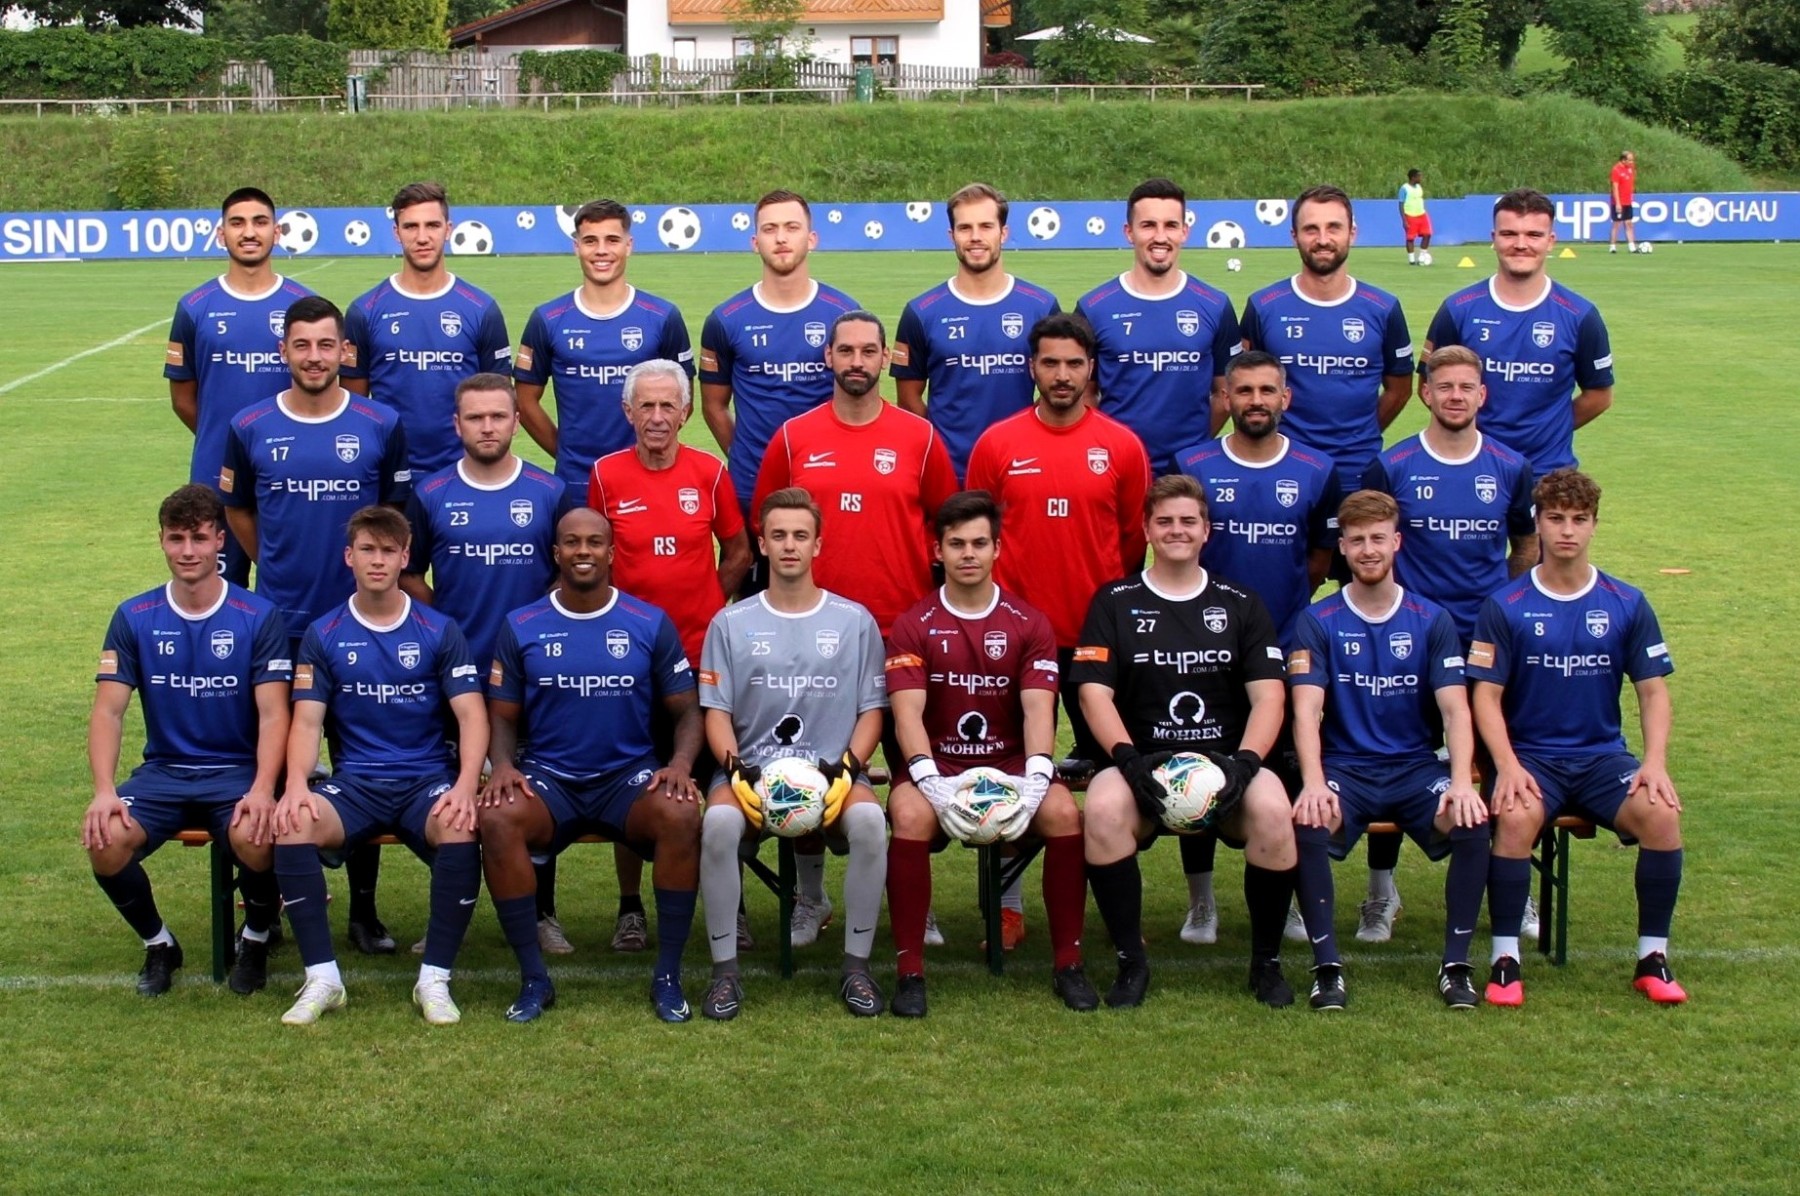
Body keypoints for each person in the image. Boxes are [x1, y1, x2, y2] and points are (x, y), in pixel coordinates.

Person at [1072, 475, 1327, 1009]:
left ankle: (1266, 964)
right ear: (1146, 530)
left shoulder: (1240, 602)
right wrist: (1128, 761)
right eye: (1164, 521)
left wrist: (1245, 765)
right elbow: (1094, 693)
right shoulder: (1114, 601)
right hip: (1144, 764)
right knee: (1102, 809)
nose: (1177, 531)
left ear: (1206, 530)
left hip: (1227, 765)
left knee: (1274, 812)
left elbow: (1269, 696)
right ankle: (1131, 963)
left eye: (1188, 521)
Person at [749, 310, 957, 947]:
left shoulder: (920, 437)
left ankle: (914, 902)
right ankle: (811, 898)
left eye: (870, 351)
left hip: (901, 632)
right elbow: (767, 526)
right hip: (813, 634)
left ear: (887, 358)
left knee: (912, 767)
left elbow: (945, 526)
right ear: (829, 358)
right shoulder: (793, 437)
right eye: (846, 351)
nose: (858, 362)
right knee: (803, 762)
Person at [222, 294, 413, 956]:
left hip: (362, 624)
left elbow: (392, 517)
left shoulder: (380, 423)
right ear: (284, 352)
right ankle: (266, 910)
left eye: (325, 345)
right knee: (274, 763)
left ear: (344, 352)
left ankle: (363, 911)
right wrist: (274, 564)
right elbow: (239, 511)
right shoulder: (250, 425)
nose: (314, 357)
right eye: (301, 345)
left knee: (362, 763)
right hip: (283, 624)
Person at [477, 507, 706, 1023]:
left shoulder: (648, 622)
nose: (584, 551)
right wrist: (504, 765)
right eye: (572, 542)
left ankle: (667, 977)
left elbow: (687, 711)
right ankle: (534, 979)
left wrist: (679, 763)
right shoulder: (522, 625)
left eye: (595, 542)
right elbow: (502, 715)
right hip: (551, 779)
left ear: (611, 552)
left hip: (626, 778)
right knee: (497, 817)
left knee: (680, 812)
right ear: (556, 553)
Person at [1468, 469, 1686, 1006]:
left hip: (1601, 760)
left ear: (1594, 526)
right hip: (1532, 760)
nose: (1567, 530)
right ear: (1538, 524)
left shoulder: (1626, 601)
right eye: (1556, 518)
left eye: (1579, 520)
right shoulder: (1505, 605)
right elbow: (1485, 697)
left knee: (1662, 814)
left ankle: (1653, 959)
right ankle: (1505, 960)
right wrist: (1507, 765)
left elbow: (1653, 692)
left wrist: (1654, 763)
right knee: (1514, 817)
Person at [271, 505, 488, 1025]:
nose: (377, 560)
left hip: (425, 782)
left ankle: (434, 979)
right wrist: (296, 783)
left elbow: (472, 716)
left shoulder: (438, 629)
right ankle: (323, 979)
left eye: (388, 551)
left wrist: (464, 786)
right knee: (294, 822)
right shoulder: (324, 633)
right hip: (356, 785)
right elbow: (306, 723)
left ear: (405, 557)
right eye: (367, 549)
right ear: (349, 556)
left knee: (460, 826)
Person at [884, 490, 1096, 1015]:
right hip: (940, 765)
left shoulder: (1029, 622)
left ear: (998, 548)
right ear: (938, 551)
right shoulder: (913, 624)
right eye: (957, 544)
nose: (968, 554)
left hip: (1010, 763)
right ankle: (910, 972)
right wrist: (928, 780)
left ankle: (1069, 964)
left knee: (1064, 813)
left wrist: (1038, 777)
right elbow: (907, 715)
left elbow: (1039, 709)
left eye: (979, 543)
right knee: (908, 813)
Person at [1356, 344, 1537, 943]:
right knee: (1391, 756)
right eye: (1444, 386)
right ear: (1425, 393)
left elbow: (1524, 544)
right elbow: (1373, 546)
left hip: (1484, 645)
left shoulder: (1510, 466)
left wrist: (1505, 611)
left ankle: (1517, 889)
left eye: (1466, 387)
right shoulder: (1394, 465)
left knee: (1498, 761)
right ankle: (1381, 893)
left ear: (1482, 395)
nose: (1455, 396)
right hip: (1409, 643)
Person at [83, 484, 292, 997]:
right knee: (106, 841)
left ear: (220, 540)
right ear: (161, 540)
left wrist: (262, 788)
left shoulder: (257, 615)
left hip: (236, 774)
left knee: (258, 835)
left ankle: (256, 937)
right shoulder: (134, 616)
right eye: (177, 538)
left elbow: (274, 714)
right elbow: (109, 711)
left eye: (199, 538)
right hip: (165, 774)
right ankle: (159, 944)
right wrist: (104, 791)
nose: (188, 551)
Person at [1287, 490, 1492, 1010]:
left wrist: (1462, 782)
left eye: (1378, 538)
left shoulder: (1432, 619)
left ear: (1397, 542)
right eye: (1356, 540)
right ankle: (1327, 968)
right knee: (1309, 821)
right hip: (1347, 769)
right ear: (1342, 547)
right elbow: (1306, 711)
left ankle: (1456, 966)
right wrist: (1313, 782)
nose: (1368, 550)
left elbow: (1456, 711)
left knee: (1470, 821)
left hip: (1415, 769)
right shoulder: (1318, 619)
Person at [696, 488, 890, 1019]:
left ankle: (856, 968)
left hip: (832, 775)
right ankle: (724, 975)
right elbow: (716, 711)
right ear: (761, 544)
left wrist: (848, 770)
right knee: (717, 826)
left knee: (871, 824)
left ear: (818, 545)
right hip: (750, 773)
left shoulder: (854, 621)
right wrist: (736, 772)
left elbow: (872, 710)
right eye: (778, 535)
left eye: (800, 536)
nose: (789, 545)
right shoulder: (730, 622)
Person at [399, 372, 574, 956]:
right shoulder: (431, 493)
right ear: (457, 425)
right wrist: (444, 624)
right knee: (454, 793)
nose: (488, 427)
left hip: (533, 676)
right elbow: (408, 572)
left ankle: (541, 912)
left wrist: (537, 629)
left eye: (498, 416)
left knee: (531, 788)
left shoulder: (549, 491)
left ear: (517, 421)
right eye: (475, 418)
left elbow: (566, 574)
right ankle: (450, 912)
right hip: (458, 675)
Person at [1172, 350, 1338, 946]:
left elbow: (1318, 559)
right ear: (1227, 399)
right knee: (1195, 766)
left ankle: (1287, 897)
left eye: (1268, 390)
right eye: (1244, 391)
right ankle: (1201, 903)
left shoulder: (1318, 469)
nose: (1256, 401)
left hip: (1286, 646)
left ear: (1285, 398)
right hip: (1204, 646)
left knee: (1285, 773)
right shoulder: (1193, 463)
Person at [589, 359, 753, 955]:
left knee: (717, 785)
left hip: (700, 656)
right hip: (628, 664)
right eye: (646, 406)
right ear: (627, 412)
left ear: (685, 413)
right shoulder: (605, 474)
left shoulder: (709, 472)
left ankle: (731, 906)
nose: (657, 417)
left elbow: (739, 549)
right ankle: (630, 907)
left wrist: (710, 602)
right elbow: (595, 557)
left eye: (668, 406)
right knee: (632, 780)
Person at [965, 312, 1151, 768]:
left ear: (1091, 368)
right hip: (1016, 632)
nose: (1062, 375)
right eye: (1050, 363)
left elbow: (1132, 538)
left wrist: (1105, 599)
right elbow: (976, 536)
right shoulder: (996, 443)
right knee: (1009, 764)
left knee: (1108, 765)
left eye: (1074, 364)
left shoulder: (1123, 446)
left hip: (1095, 633)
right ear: (1032, 367)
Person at [164, 186, 312, 583]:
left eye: (260, 222)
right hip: (215, 474)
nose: (249, 232)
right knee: (215, 590)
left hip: (290, 473)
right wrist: (230, 445)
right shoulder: (195, 307)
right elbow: (182, 399)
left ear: (277, 232)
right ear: (221, 233)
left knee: (290, 583)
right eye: (237, 223)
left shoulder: (304, 305)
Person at [700, 189, 860, 543]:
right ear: (755, 242)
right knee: (751, 573)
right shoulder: (726, 319)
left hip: (828, 477)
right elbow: (713, 405)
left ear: (812, 238)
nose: (781, 238)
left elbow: (860, 401)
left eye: (792, 227)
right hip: (752, 482)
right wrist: (745, 455)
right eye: (770, 229)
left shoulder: (845, 313)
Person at [1423, 188, 1615, 481]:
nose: (1521, 244)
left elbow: (1599, 395)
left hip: (1548, 475)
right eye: (1509, 234)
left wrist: (1550, 429)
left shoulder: (1580, 315)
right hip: (1472, 470)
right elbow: (1428, 386)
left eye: (1534, 235)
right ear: (1494, 238)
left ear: (1551, 241)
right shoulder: (1458, 309)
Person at [1238, 184, 1413, 501]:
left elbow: (1400, 389)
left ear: (1352, 233)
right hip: (1282, 471)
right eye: (1311, 229)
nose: (1322, 239)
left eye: (1334, 227)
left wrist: (1361, 433)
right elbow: (1243, 387)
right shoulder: (1263, 307)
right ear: (1294, 236)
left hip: (1357, 474)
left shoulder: (1383, 308)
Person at [514, 198, 694, 506]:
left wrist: (652, 450)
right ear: (576, 247)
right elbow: (525, 400)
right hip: (576, 481)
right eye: (590, 241)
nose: (601, 250)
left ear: (628, 245)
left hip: (647, 476)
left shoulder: (662, 317)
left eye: (612, 240)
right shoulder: (548, 319)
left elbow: (684, 400)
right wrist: (565, 451)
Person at [892, 182, 1060, 480]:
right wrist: (940, 450)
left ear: (1003, 233)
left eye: (986, 226)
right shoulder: (921, 312)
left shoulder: (1042, 306)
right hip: (950, 474)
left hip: (1023, 468)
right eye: (965, 228)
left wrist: (1028, 435)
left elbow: (1058, 386)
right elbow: (908, 400)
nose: (975, 237)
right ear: (952, 236)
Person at [342, 180, 511, 477]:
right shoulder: (364, 311)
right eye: (411, 227)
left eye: (432, 225)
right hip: (389, 475)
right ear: (396, 233)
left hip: (463, 474)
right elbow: (353, 407)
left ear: (448, 229)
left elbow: (499, 403)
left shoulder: (481, 309)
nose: (422, 237)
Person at [1075, 177, 1241, 476]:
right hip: (1116, 469)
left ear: (1184, 232)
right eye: (1148, 225)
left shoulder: (1215, 305)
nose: (1160, 237)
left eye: (1171, 225)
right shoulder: (1094, 307)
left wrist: (1194, 450)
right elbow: (1085, 395)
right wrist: (1108, 448)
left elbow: (1224, 394)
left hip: (1188, 474)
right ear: (1129, 232)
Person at [1398, 169, 1433, 265]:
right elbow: (1401, 204)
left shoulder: (1419, 187)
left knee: (1427, 234)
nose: (1421, 178)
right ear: (1413, 177)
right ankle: (1412, 260)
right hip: (1410, 215)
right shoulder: (1404, 189)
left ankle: (1422, 256)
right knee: (1410, 238)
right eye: (1419, 176)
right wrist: (1404, 220)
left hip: (1422, 214)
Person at [1609, 151, 1641, 254]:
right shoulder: (1616, 170)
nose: (1632, 162)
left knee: (1629, 223)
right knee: (1617, 224)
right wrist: (1618, 203)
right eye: (1630, 160)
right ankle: (1612, 246)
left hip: (1628, 201)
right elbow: (1615, 187)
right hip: (1619, 202)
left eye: (1632, 160)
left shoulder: (1630, 168)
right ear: (1623, 160)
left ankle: (1632, 247)